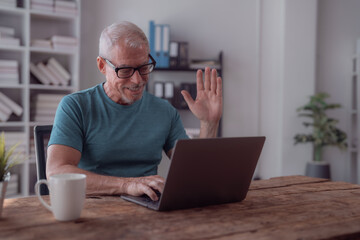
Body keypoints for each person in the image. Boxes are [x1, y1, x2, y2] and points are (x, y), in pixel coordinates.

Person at [46, 21, 222, 201]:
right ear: (102, 66)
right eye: (126, 70)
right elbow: (56, 173)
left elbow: (196, 172)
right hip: (94, 210)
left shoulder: (164, 111)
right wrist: (127, 186)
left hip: (149, 209)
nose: (137, 80)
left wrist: (209, 123)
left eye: (144, 67)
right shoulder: (76, 106)